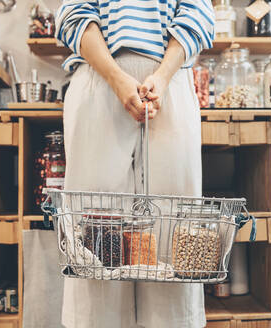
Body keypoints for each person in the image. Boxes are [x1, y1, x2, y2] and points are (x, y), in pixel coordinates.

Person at [55, 1, 215, 327]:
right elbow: (75, 13)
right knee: (96, 224)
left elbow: (197, 13)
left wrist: (163, 75)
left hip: (169, 76)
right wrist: (116, 77)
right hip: (100, 75)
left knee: (174, 224)